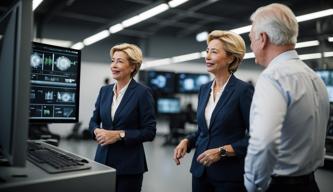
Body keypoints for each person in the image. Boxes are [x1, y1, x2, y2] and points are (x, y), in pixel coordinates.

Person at [244, 3, 330, 192]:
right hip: (310, 184)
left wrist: (252, 183)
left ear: (262, 38)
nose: (251, 47)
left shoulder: (273, 78)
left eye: (251, 39)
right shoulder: (314, 78)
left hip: (280, 185)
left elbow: (264, 141)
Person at [173, 30, 254, 192]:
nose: (207, 56)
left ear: (231, 58)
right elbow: (205, 131)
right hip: (200, 172)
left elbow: (256, 138)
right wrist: (187, 141)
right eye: (207, 51)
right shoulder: (204, 89)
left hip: (228, 176)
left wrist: (222, 152)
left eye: (214, 52)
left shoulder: (243, 91)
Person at [89, 43, 156, 192]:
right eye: (113, 60)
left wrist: (119, 135)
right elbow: (93, 121)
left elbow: (150, 131)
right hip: (102, 163)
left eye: (119, 61)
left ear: (132, 67)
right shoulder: (104, 91)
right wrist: (96, 131)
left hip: (129, 167)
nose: (114, 65)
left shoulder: (142, 93)